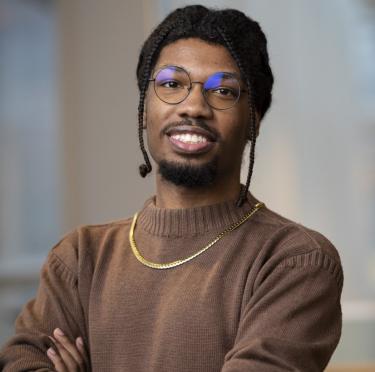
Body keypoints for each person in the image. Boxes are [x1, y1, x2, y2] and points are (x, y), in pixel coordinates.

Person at [0, 5, 343, 371]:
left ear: (253, 122)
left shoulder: (295, 261)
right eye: (171, 84)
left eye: (224, 91)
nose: (194, 106)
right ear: (144, 109)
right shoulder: (79, 258)